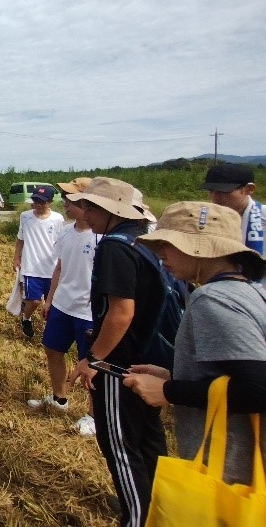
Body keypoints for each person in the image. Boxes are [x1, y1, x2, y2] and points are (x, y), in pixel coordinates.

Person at [123, 201, 266, 487]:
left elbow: (256, 388)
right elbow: (233, 371)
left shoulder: (212, 300)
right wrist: (177, 376)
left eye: (169, 244)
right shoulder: (248, 292)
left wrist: (168, 391)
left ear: (202, 248)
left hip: (228, 471)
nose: (161, 254)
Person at [67, 177, 164, 527]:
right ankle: (157, 507)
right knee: (148, 441)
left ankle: (136, 516)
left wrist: (94, 358)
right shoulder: (143, 239)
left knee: (120, 446)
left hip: (120, 364)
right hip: (150, 361)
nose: (84, 213)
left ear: (110, 211)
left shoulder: (114, 247)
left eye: (90, 207)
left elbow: (121, 313)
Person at [27, 177, 97, 437]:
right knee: (52, 348)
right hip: (63, 305)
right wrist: (50, 299)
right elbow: (59, 267)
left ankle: (93, 415)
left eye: (70, 199)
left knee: (91, 363)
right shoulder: (66, 231)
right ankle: (59, 398)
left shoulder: (101, 237)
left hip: (88, 311)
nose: (65, 203)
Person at [13, 185, 64, 338]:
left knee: (51, 302)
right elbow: (20, 239)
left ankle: (49, 329)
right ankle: (26, 318)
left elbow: (61, 241)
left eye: (43, 202)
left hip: (51, 267)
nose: (39, 205)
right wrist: (16, 257)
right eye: (36, 201)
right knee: (34, 301)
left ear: (50, 202)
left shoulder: (57, 219)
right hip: (31, 266)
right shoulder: (25, 216)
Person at [200, 163, 263, 254]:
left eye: (223, 191)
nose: (215, 196)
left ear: (249, 189)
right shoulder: (203, 218)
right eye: (210, 190)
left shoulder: (263, 217)